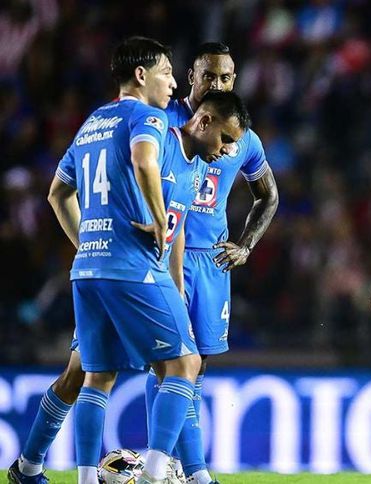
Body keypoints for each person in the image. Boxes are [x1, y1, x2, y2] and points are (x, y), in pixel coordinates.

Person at [46, 36, 197, 484]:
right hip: (130, 264)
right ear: (141, 75)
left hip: (87, 268)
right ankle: (155, 473)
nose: (173, 83)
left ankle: (86, 478)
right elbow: (144, 160)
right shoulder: (147, 116)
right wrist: (160, 219)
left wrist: (87, 241)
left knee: (98, 374)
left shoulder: (92, 121)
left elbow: (57, 193)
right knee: (183, 364)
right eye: (167, 72)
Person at [152, 41, 279, 484]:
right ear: (191, 76)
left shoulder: (243, 137)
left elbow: (268, 195)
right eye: (209, 75)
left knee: (197, 365)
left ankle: (179, 467)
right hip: (166, 255)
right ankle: (184, 470)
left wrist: (245, 245)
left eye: (225, 77)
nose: (217, 84)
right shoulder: (164, 121)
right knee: (170, 362)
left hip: (211, 262)